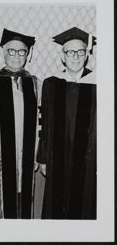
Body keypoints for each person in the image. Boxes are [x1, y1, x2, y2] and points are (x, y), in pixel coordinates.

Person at [37, 27, 97, 219]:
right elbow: (44, 123)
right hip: (57, 157)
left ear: (86, 55)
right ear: (63, 56)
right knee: (56, 205)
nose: (75, 56)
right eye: (70, 52)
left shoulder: (98, 84)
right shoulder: (51, 84)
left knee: (83, 205)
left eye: (80, 52)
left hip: (87, 159)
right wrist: (43, 157)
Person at [0, 29, 40, 219]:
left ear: (27, 54)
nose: (17, 56)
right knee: (3, 200)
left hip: (26, 154)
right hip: (0, 154)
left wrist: (36, 154)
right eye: (12, 51)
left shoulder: (34, 83)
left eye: (22, 51)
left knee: (24, 198)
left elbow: (40, 124)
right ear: (3, 52)